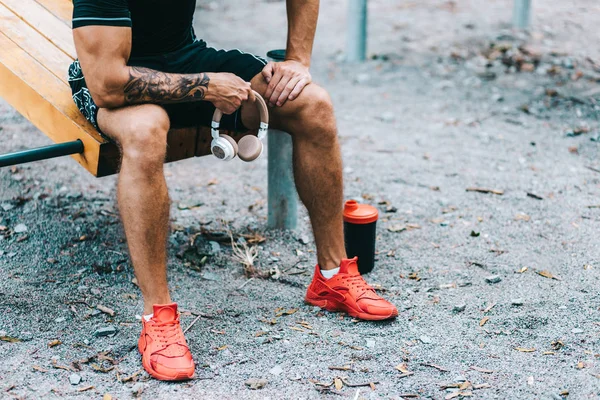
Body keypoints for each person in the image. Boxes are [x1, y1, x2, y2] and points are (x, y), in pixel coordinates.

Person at [69, 0, 398, 381]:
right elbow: (108, 84)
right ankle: (157, 315)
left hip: (184, 58)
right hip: (114, 78)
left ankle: (332, 275)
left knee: (313, 105)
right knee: (145, 131)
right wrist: (208, 85)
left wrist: (298, 59)